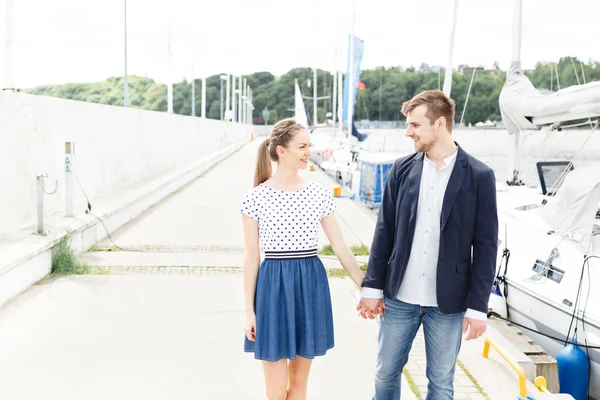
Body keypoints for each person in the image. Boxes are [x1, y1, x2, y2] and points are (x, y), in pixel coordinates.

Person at [357, 90, 499, 400]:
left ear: (440, 124)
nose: (408, 132)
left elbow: (486, 246)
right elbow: (384, 232)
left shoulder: (479, 176)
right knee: (385, 373)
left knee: (441, 382)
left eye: (415, 125)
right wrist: (371, 288)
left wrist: (478, 306)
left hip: (448, 304)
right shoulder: (401, 170)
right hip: (399, 298)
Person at [240, 118, 365, 400]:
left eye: (309, 145)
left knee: (299, 386)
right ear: (281, 150)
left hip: (309, 285)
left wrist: (364, 286)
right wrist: (249, 310)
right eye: (303, 146)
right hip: (271, 288)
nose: (309, 151)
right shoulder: (254, 198)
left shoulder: (318, 193)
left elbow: (341, 246)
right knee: (275, 391)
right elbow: (251, 256)